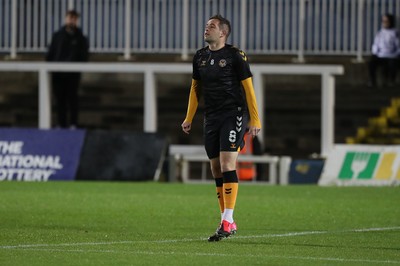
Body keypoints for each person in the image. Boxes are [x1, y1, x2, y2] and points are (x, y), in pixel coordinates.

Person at [181, 14, 261, 242]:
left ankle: (227, 220)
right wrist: (189, 117)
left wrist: (255, 119)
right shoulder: (200, 57)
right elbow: (195, 89)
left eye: (212, 26)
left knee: (227, 163)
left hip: (233, 113)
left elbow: (249, 89)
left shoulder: (235, 56)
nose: (207, 29)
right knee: (216, 169)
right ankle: (227, 219)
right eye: (206, 26)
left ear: (223, 32)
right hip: (212, 117)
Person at [46, 10, 89, 128]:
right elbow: (51, 54)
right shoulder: (58, 36)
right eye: (70, 18)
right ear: (66, 19)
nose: (72, 21)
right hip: (59, 74)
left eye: (74, 18)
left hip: (73, 75)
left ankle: (73, 123)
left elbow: (84, 55)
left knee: (72, 99)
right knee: (60, 99)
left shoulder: (80, 38)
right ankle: (61, 123)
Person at [368, 13, 400, 88]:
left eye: (386, 21)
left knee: (393, 64)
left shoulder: (395, 33)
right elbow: (376, 44)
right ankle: (372, 82)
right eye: (383, 21)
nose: (385, 23)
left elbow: (398, 45)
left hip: (392, 55)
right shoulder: (380, 32)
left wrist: (397, 54)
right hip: (380, 55)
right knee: (371, 63)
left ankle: (391, 81)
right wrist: (375, 53)